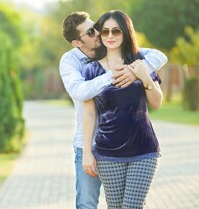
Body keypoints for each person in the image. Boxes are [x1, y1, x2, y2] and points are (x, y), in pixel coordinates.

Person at [59, 11, 167, 209]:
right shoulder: (81, 67)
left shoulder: (138, 61)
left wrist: (141, 74)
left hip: (143, 149)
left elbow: (159, 63)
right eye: (94, 31)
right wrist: (111, 75)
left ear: (125, 32)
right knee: (88, 204)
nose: (102, 34)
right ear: (77, 42)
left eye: (113, 31)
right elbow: (83, 97)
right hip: (99, 148)